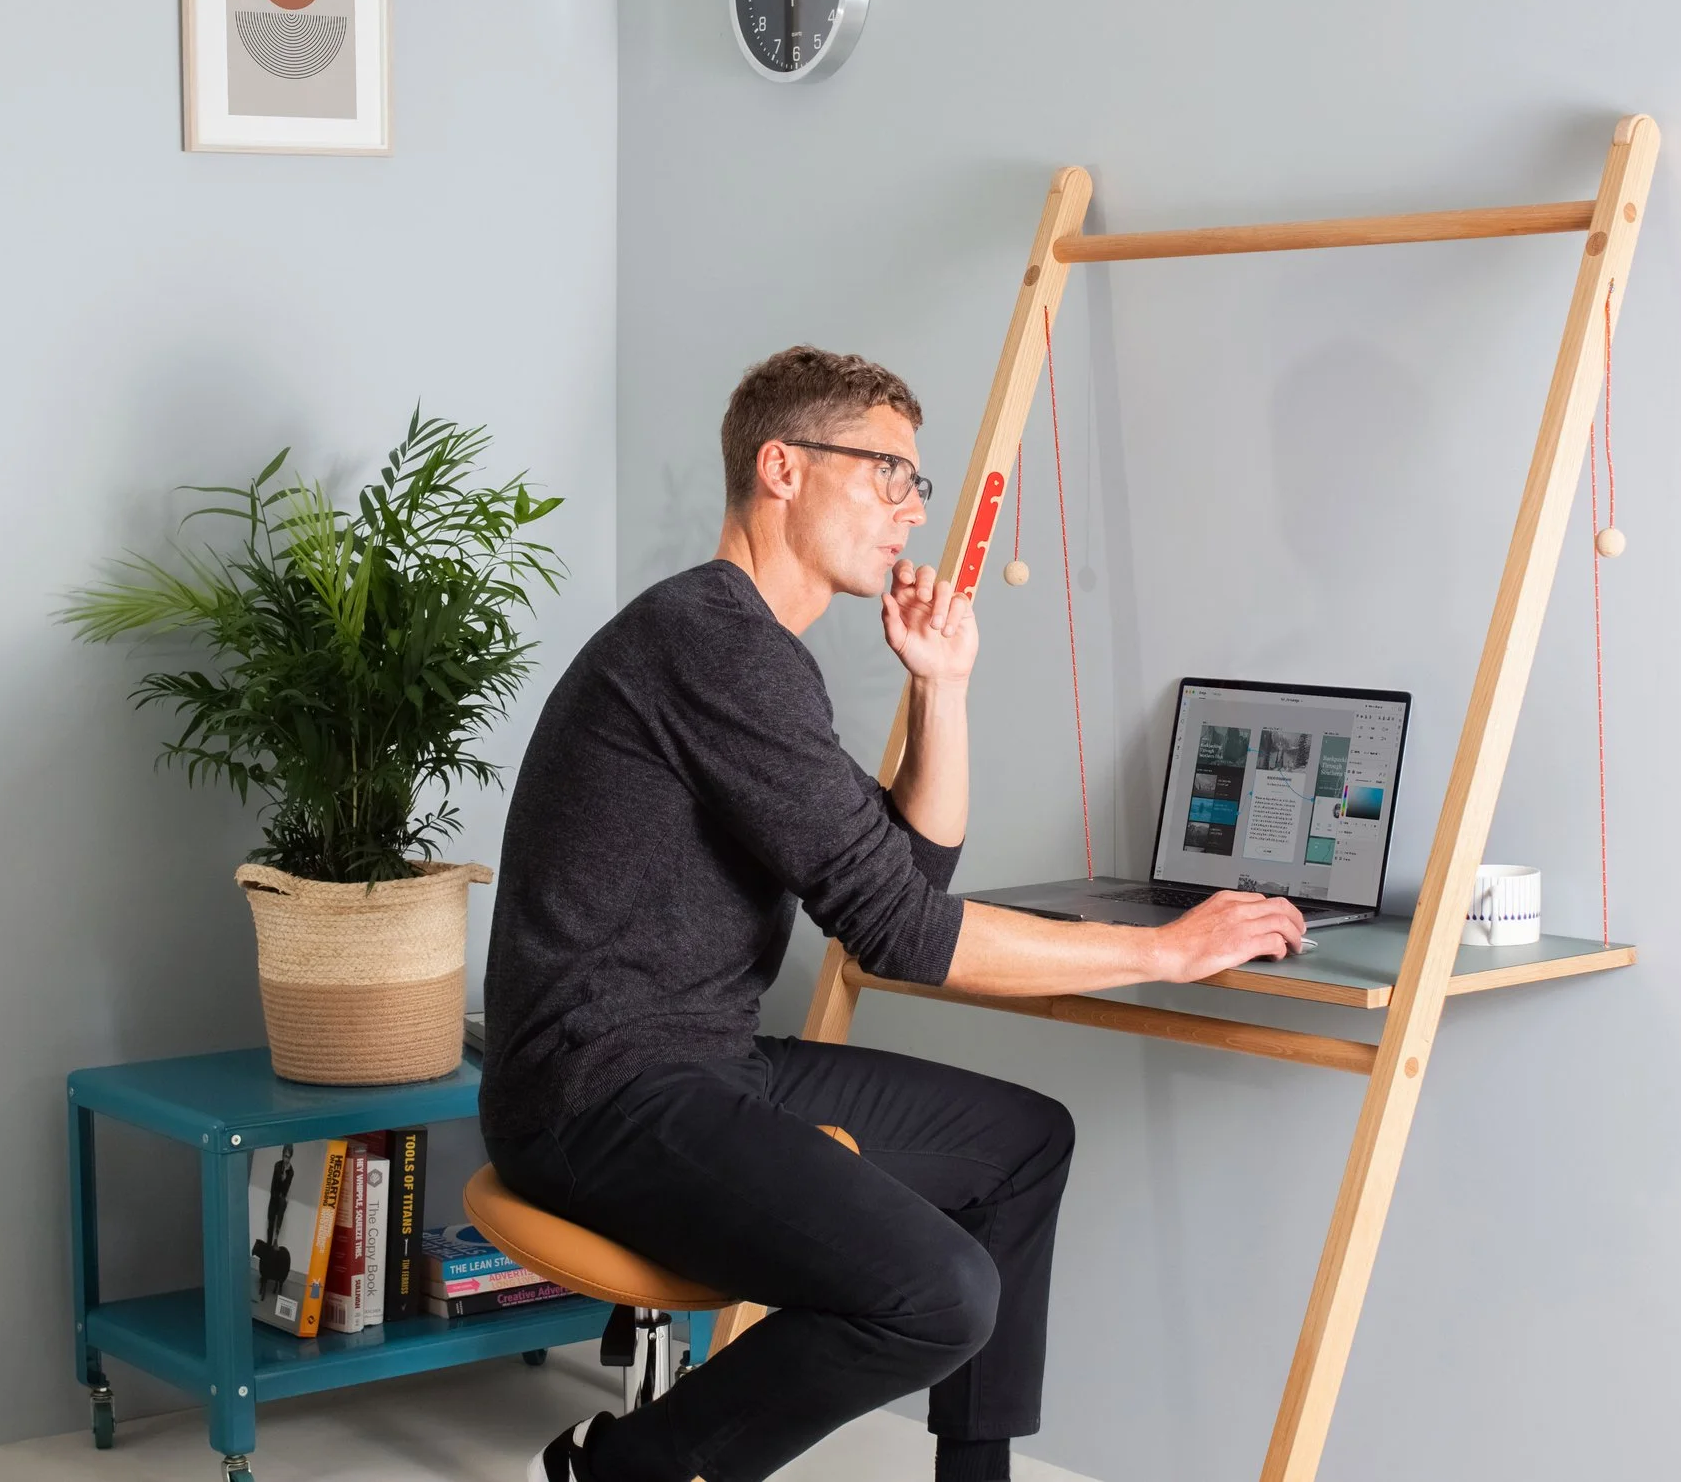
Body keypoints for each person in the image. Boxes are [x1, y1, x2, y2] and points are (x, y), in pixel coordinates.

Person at [482, 347, 1308, 1482]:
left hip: (701, 1063)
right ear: (781, 466)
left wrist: (943, 688)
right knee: (936, 1290)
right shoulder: (710, 641)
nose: (910, 510)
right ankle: (627, 1469)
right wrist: (1165, 947)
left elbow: (904, 880)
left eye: (915, 484)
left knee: (1021, 1146)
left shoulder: (748, 652)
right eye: (885, 473)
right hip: (598, 1093)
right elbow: (905, 937)